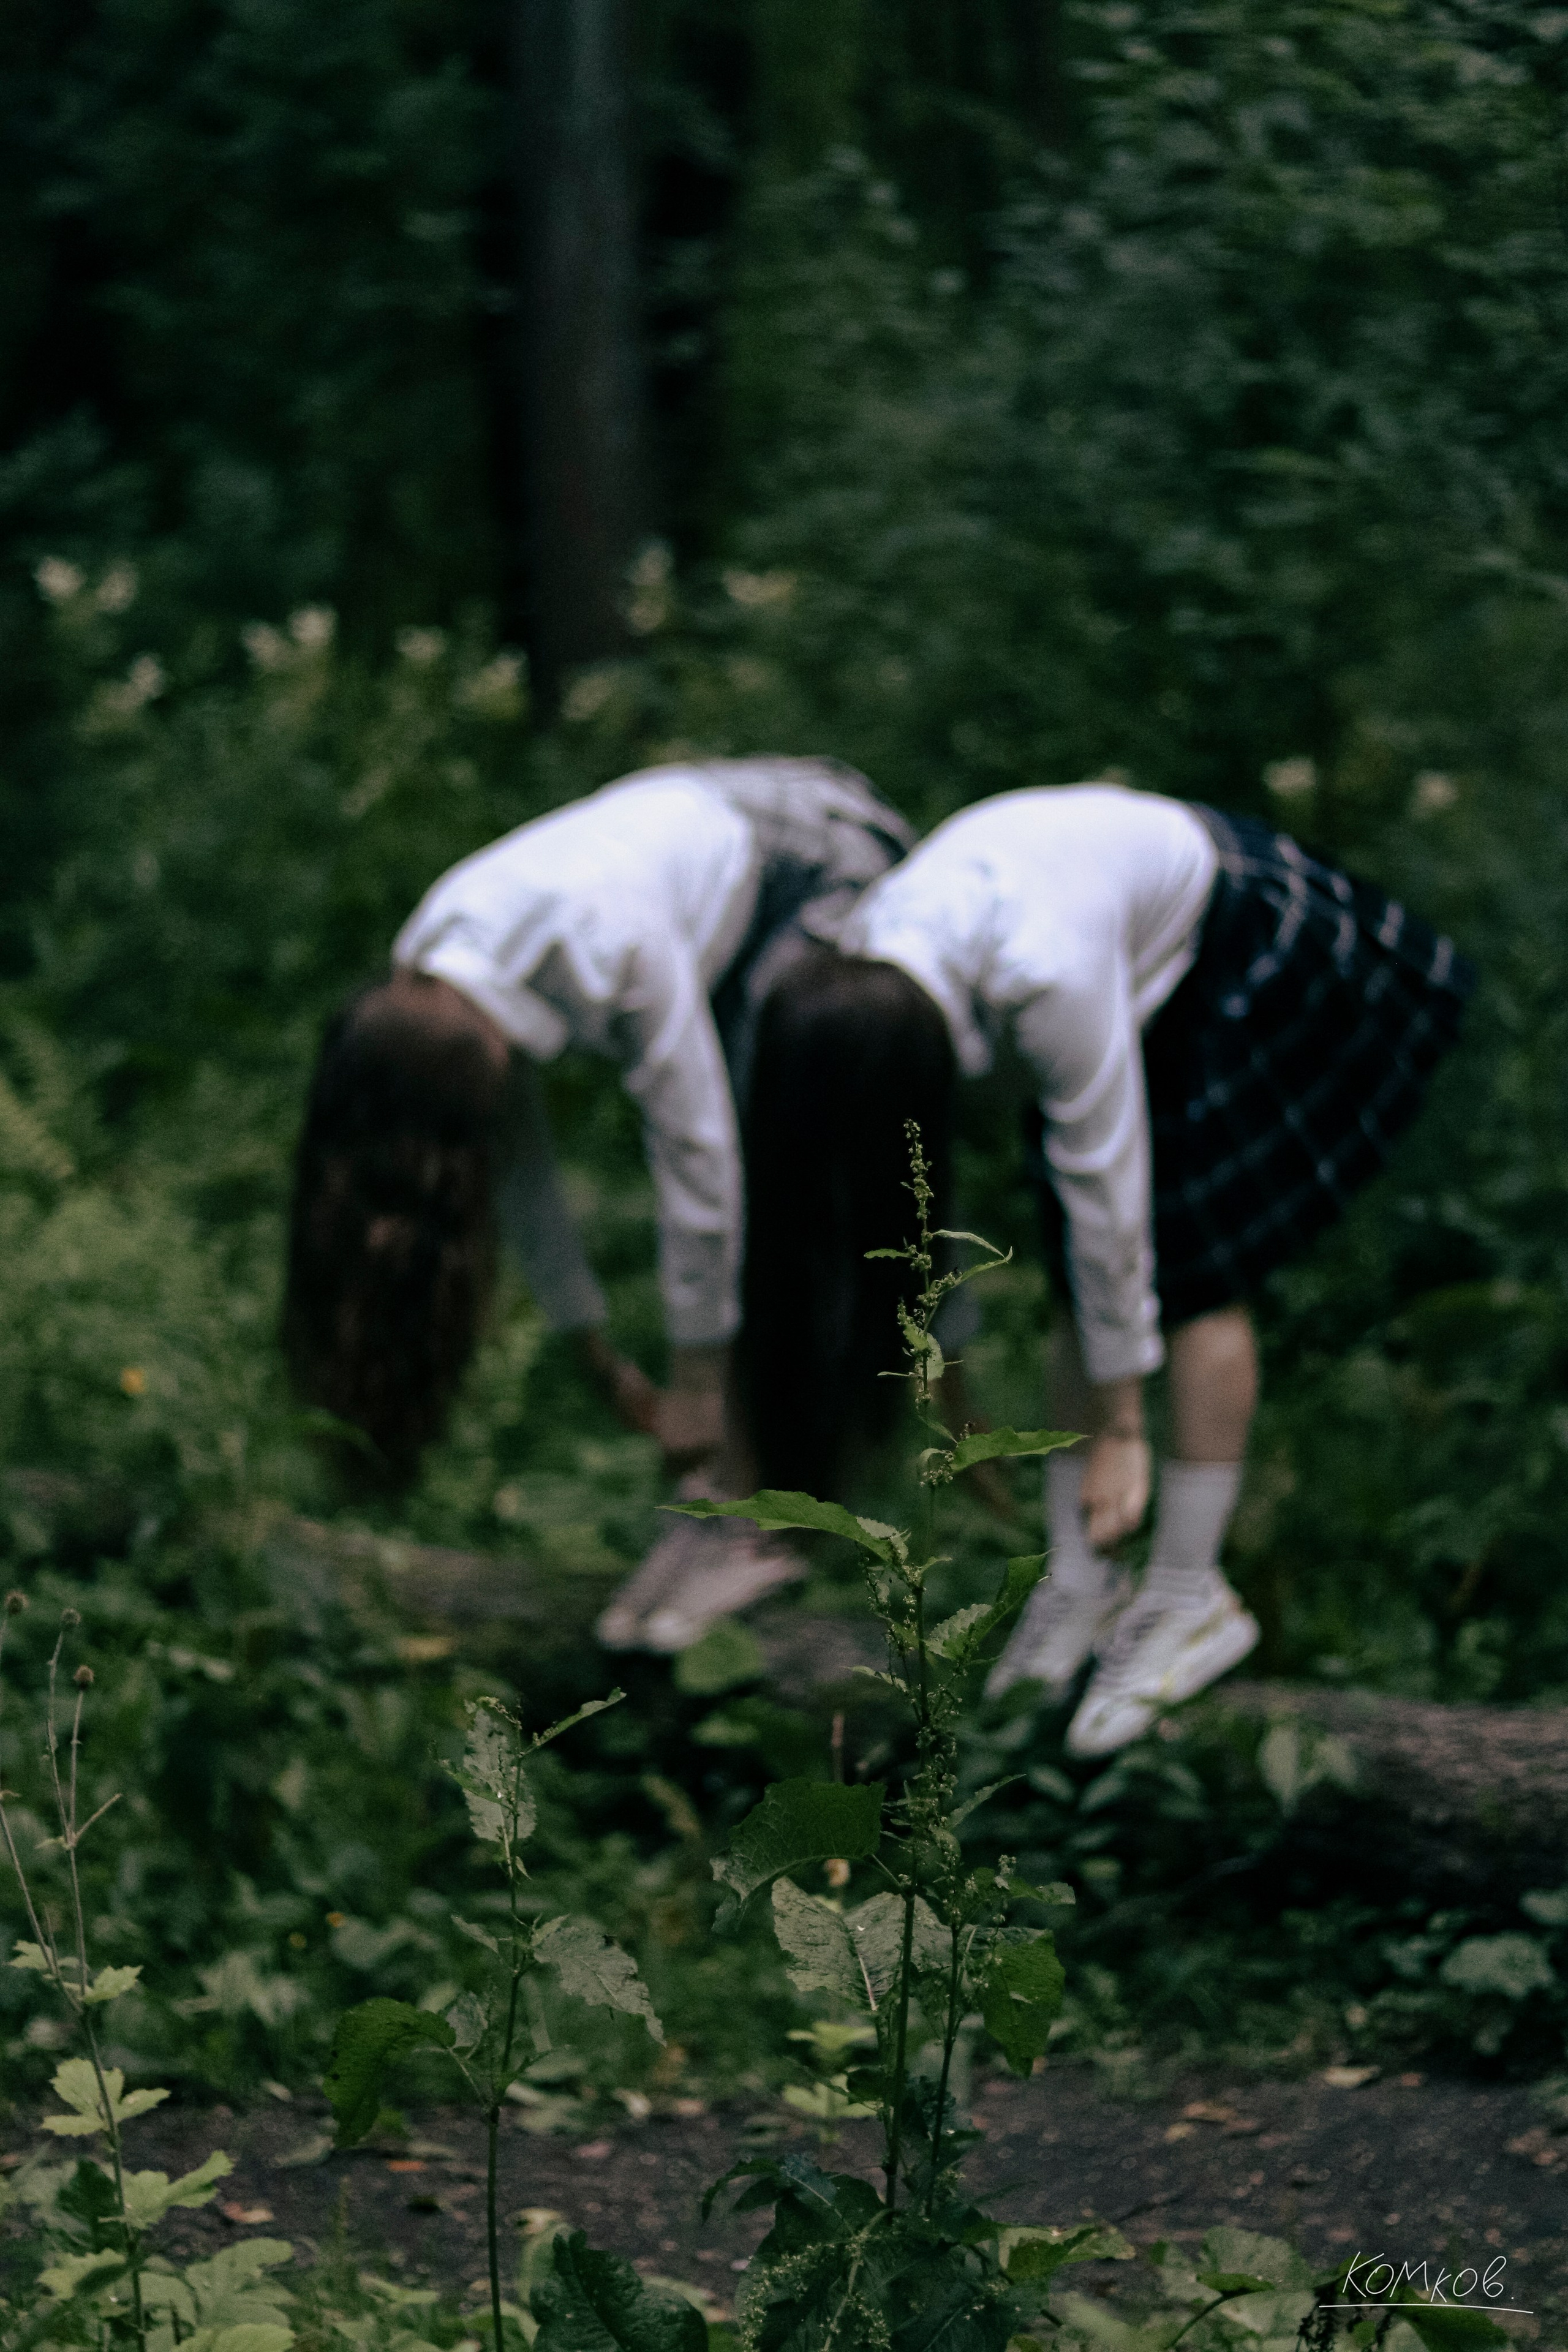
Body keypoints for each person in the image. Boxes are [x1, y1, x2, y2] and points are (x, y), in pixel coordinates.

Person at [743, 782, 1470, 1756]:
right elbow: (909, 1182)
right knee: (1078, 1277)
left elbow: (1106, 1185)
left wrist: (1124, 1426)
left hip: (1236, 930)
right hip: (1102, 924)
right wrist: (948, 1370)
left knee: (1194, 1268)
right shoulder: (853, 994)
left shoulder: (1046, 974)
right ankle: (1083, 1584)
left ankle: (1188, 1596)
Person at [283, 756, 912, 1648]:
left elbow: (697, 1157)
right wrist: (597, 1353)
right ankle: (720, 1499)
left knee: (778, 1173)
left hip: (819, 855)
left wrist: (696, 1382)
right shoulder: (432, 980)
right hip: (704, 847)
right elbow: (523, 1174)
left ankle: (764, 1516)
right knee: (747, 1163)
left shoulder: (616, 946)